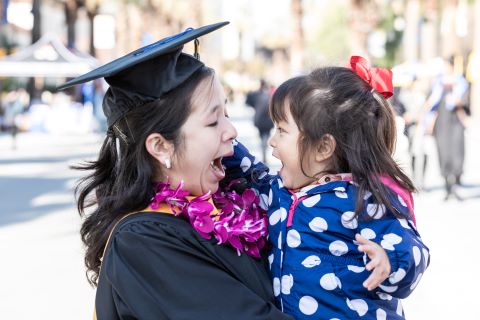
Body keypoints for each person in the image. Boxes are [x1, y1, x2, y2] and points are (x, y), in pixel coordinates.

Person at [58, 22, 292, 320]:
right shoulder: (143, 241)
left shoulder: (231, 207)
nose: (232, 131)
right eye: (212, 121)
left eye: (227, 114)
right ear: (161, 146)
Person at [224, 56, 430, 319]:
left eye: (282, 131)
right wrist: (224, 141)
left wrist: (390, 259)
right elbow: (249, 173)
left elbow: (412, 248)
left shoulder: (363, 199)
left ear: (323, 147)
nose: (273, 141)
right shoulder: (281, 193)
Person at [424, 56, 469, 200]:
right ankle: (447, 187)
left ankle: (455, 183)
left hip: (455, 122)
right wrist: (428, 123)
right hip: (441, 124)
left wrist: (459, 101)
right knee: (443, 153)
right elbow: (431, 106)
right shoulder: (437, 84)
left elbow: (467, 103)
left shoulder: (460, 83)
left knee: (457, 154)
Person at [245, 79, 274, 163]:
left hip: (260, 120)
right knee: (265, 137)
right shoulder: (268, 95)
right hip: (267, 121)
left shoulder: (257, 95)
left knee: (263, 137)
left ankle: (264, 151)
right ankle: (264, 152)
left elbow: (248, 101)